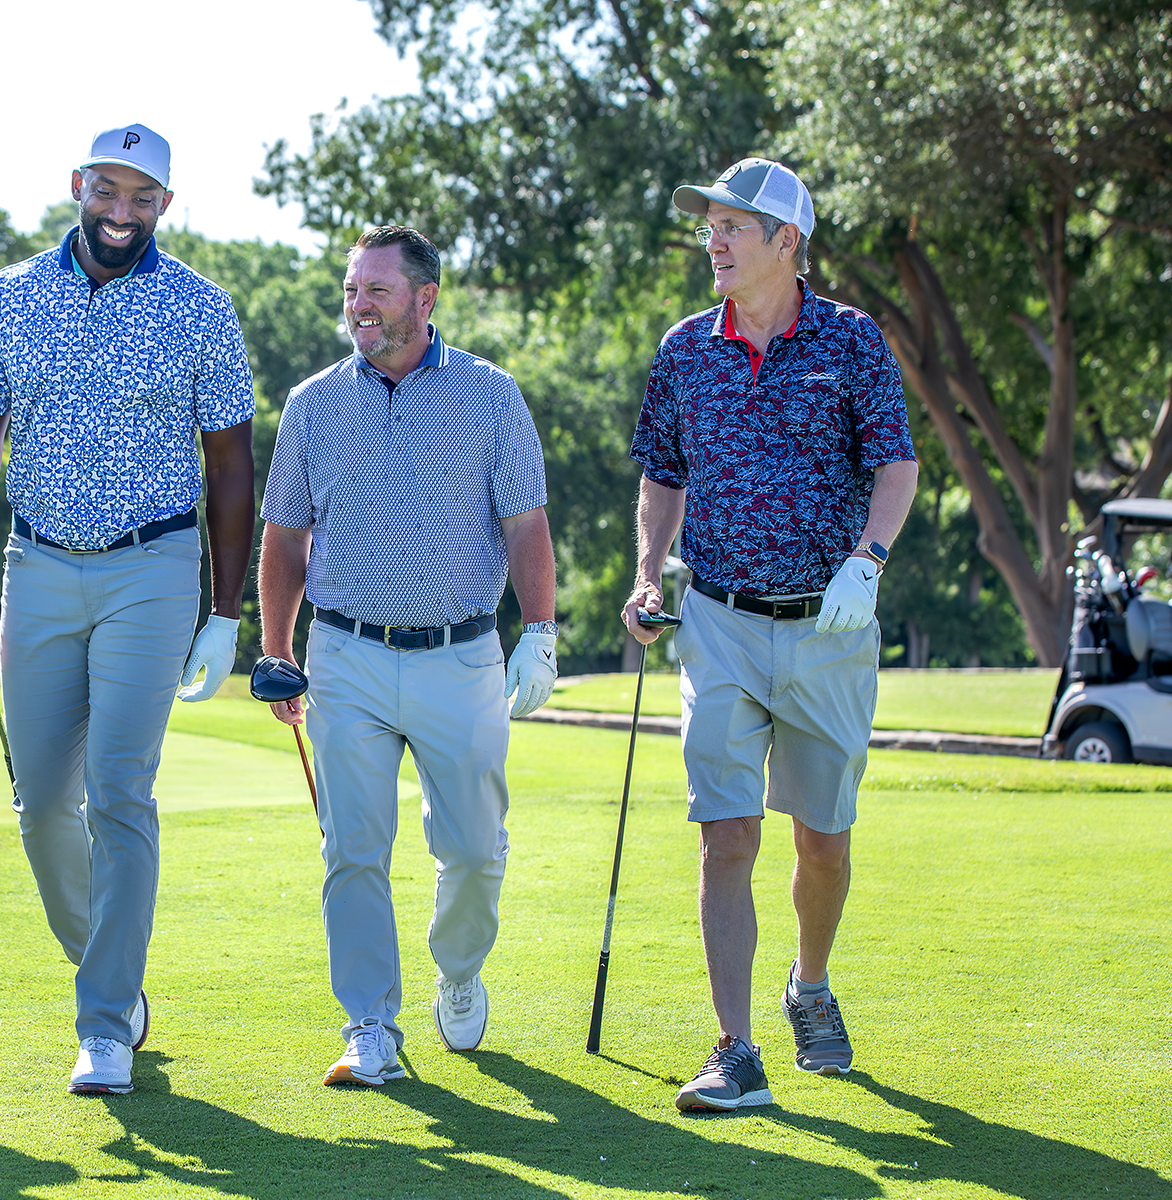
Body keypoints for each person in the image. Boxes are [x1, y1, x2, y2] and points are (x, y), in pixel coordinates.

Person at [0, 124, 256, 1096]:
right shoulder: (12, 295)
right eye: (108, 190)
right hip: (37, 565)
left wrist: (226, 612)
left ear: (166, 204)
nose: (123, 212)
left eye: (142, 197)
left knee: (120, 790)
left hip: (153, 568)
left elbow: (231, 464)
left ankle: (106, 1022)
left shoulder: (201, 307)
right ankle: (108, 965)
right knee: (42, 805)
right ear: (78, 184)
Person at [622, 159, 918, 1111]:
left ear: (787, 242)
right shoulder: (684, 349)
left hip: (829, 624)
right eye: (708, 226)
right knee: (727, 836)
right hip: (717, 620)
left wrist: (868, 560)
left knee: (822, 842)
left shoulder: (852, 340)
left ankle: (810, 984)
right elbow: (662, 475)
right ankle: (735, 1047)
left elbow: (896, 466)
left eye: (732, 227)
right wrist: (646, 573)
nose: (713, 241)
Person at [257, 226, 558, 1087]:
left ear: (425, 300)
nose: (359, 305)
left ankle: (458, 971)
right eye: (352, 289)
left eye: (377, 290)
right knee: (352, 849)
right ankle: (370, 1026)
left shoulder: (491, 395)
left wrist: (540, 631)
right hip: (345, 653)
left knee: (474, 851)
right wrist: (276, 650)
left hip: (461, 656)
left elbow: (526, 526)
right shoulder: (313, 403)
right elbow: (285, 536)